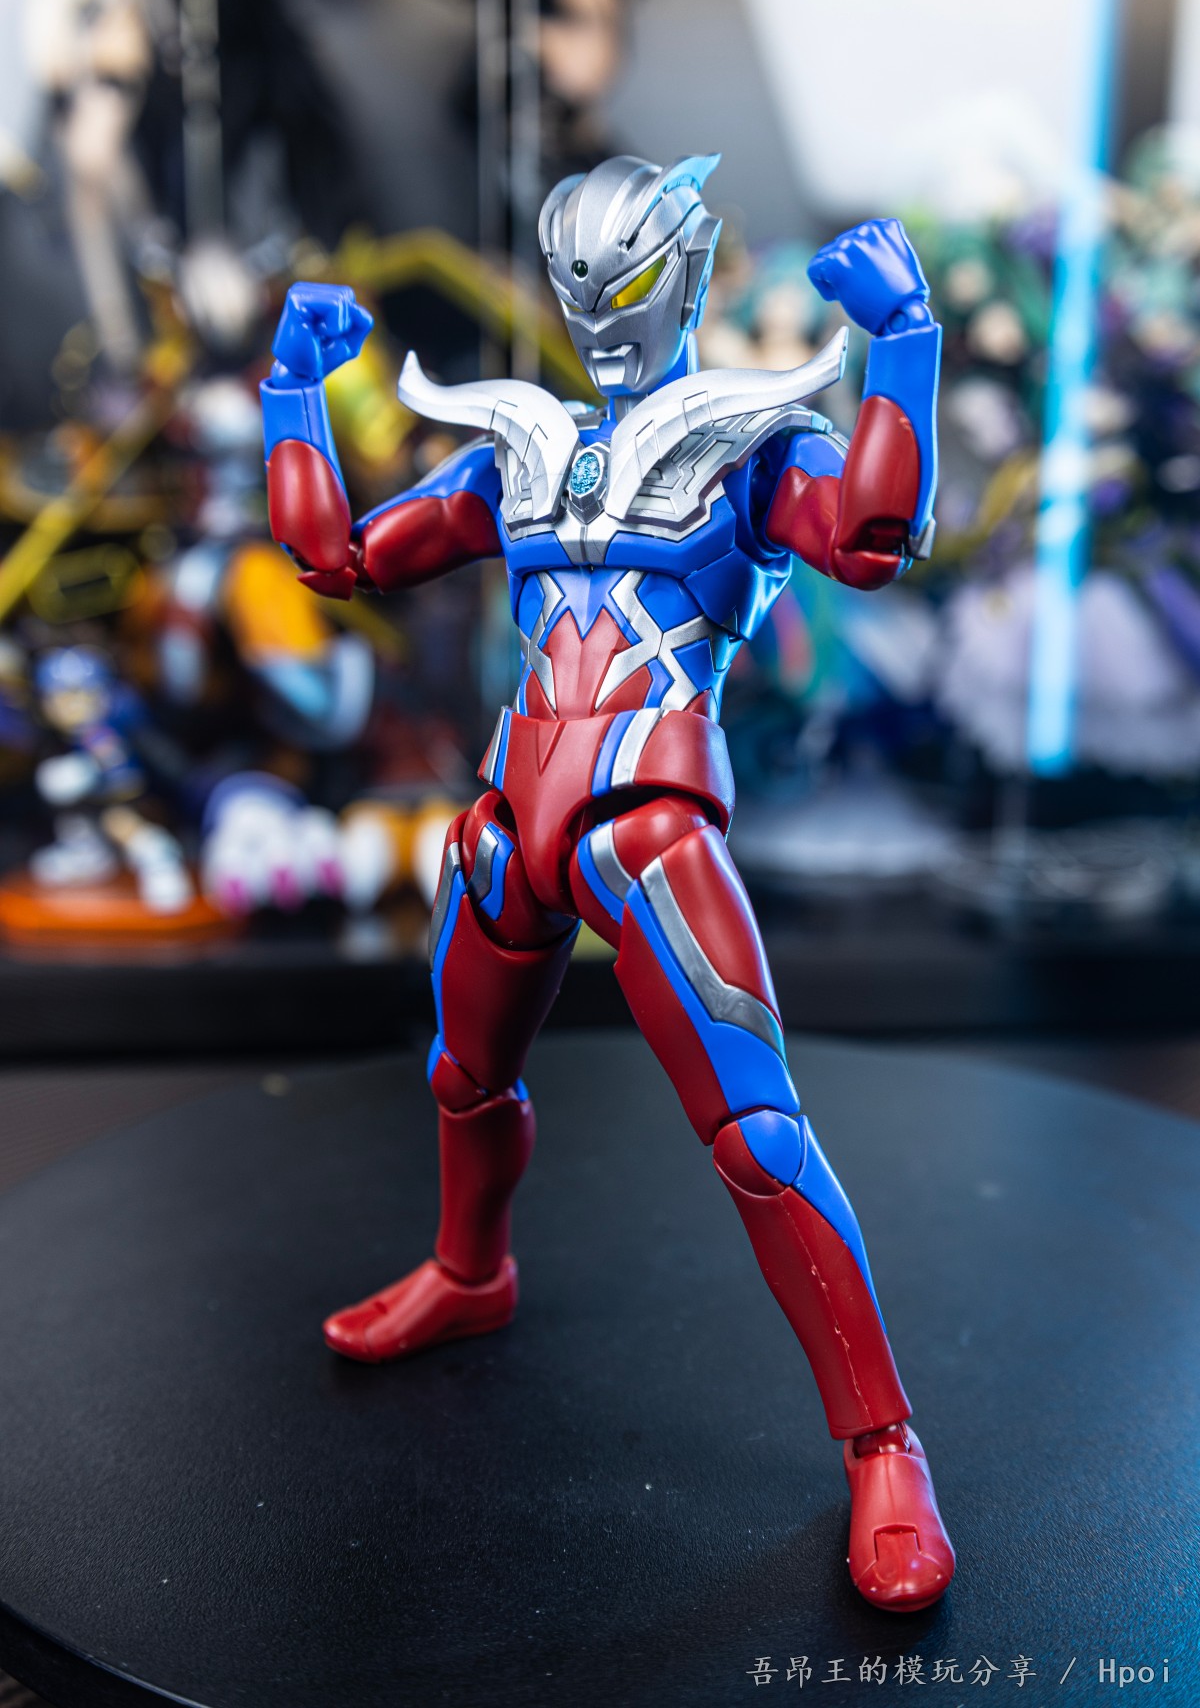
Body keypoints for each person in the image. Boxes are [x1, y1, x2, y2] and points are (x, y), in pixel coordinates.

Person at [261, 153, 953, 1612]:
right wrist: (293, 392)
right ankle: (470, 1273)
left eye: (624, 281)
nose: (599, 315)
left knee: (758, 1137)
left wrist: (903, 343)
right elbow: (336, 557)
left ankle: (884, 1444)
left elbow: (869, 539)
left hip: (649, 829)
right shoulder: (520, 448)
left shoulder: (748, 445)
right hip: (510, 819)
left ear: (682, 273)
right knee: (463, 1076)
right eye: (578, 285)